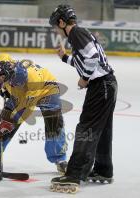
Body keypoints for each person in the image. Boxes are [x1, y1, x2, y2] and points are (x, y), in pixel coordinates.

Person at [49, 5, 118, 194]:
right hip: (107, 85)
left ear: (62, 22)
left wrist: (85, 78)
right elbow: (83, 60)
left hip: (100, 85)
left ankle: (75, 174)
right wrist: (64, 57)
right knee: (102, 130)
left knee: (86, 128)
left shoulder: (76, 33)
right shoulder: (79, 35)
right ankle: (103, 170)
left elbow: (92, 59)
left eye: (56, 25)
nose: (56, 29)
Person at [0, 53, 68, 174]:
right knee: (5, 119)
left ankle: (59, 159)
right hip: (19, 88)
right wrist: (4, 89)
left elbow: (25, 111)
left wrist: (13, 120)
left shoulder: (33, 80)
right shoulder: (5, 66)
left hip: (46, 88)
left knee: (53, 119)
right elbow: (2, 58)